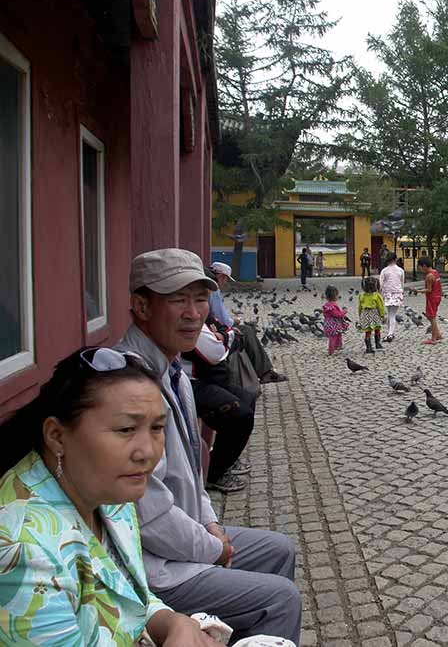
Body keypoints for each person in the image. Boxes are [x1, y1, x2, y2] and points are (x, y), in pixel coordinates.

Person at [115, 248, 301, 643]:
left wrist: (213, 524)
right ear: (140, 306)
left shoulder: (174, 371)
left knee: (279, 548)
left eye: (200, 299)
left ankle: (240, 635)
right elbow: (148, 517)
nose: (193, 313)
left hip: (185, 538)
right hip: (153, 565)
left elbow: (192, 476)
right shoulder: (126, 385)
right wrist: (212, 549)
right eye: (178, 300)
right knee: (281, 600)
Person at [0, 347, 226, 646]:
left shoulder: (105, 488)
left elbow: (131, 599)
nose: (148, 452)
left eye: (157, 427)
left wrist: (175, 623)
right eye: (125, 429)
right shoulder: (23, 556)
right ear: (56, 436)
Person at [182, 324, 254, 493]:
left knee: (247, 398)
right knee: (240, 416)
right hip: (188, 382)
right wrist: (224, 336)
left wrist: (222, 335)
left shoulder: (201, 316)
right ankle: (213, 474)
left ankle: (226, 458)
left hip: (207, 377)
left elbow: (223, 334)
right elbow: (215, 352)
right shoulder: (188, 319)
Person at [209, 262, 287, 384]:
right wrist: (234, 320)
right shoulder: (214, 290)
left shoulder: (207, 288)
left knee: (246, 330)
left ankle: (260, 372)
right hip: (214, 331)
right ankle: (265, 372)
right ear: (222, 277)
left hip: (211, 327)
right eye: (226, 280)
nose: (226, 283)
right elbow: (224, 319)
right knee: (247, 331)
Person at [379, 251, 405, 342]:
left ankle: (390, 333)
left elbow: (381, 284)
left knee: (390, 314)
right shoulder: (401, 270)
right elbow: (402, 283)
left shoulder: (384, 271)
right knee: (392, 315)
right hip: (397, 293)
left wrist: (380, 294)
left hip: (387, 294)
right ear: (395, 259)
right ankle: (390, 333)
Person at [357, 276, 386, 354]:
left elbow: (359, 307)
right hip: (374, 314)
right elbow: (380, 306)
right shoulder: (377, 296)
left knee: (368, 331)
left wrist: (360, 315)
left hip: (365, 315)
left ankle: (368, 347)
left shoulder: (362, 295)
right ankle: (378, 344)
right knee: (377, 329)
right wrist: (382, 315)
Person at [418, 257, 443, 344]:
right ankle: (438, 334)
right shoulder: (435, 272)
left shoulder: (429, 276)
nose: (420, 270)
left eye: (420, 267)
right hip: (437, 297)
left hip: (431, 298)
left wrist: (418, 291)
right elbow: (439, 286)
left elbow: (429, 290)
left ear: (424, 266)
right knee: (430, 316)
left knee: (432, 317)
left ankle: (433, 338)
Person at [322, 285, 350, 355]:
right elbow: (338, 314)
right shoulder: (331, 306)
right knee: (333, 337)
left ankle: (338, 348)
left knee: (338, 336)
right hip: (333, 325)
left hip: (332, 324)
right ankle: (331, 350)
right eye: (337, 295)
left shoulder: (328, 305)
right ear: (335, 296)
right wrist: (344, 312)